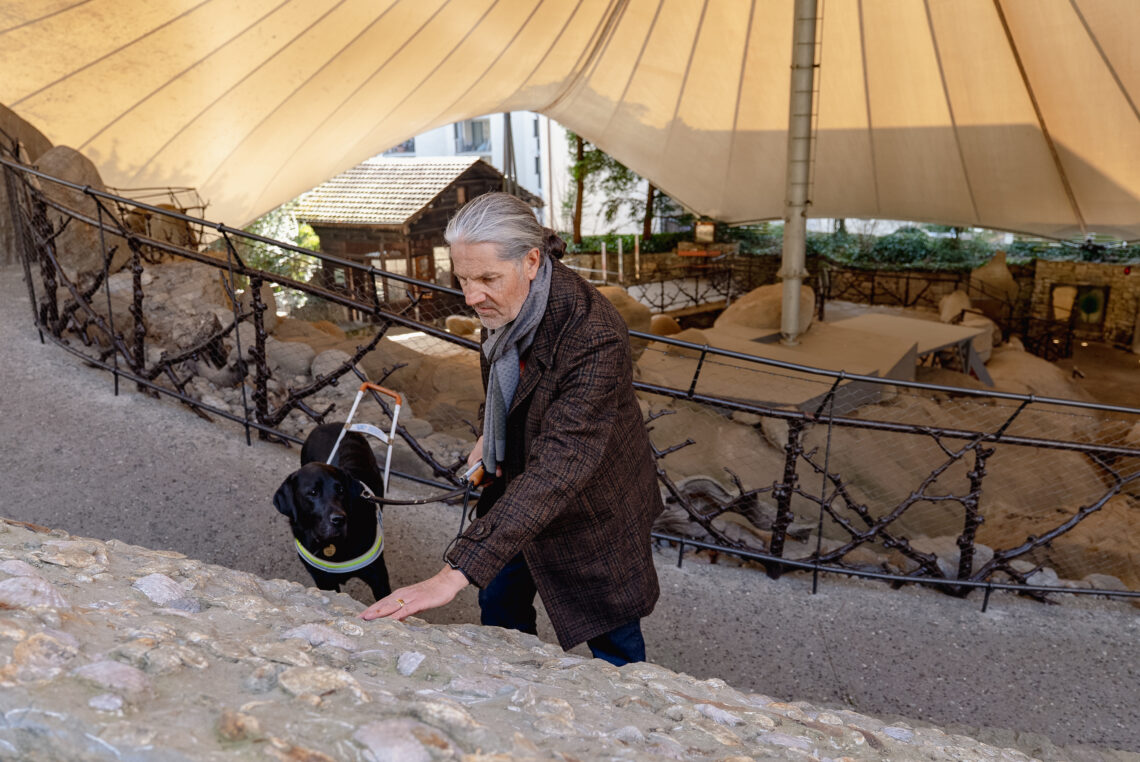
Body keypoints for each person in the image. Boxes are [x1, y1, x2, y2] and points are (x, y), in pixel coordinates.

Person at [360, 192, 663, 666]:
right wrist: (490, 432)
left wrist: (451, 573)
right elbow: (509, 386)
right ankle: (515, 684)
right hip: (520, 479)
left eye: (485, 278)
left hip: (593, 499)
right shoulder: (506, 298)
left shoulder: (594, 334)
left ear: (532, 260)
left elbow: (562, 465)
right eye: (462, 278)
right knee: (499, 601)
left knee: (612, 633)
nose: (471, 296)